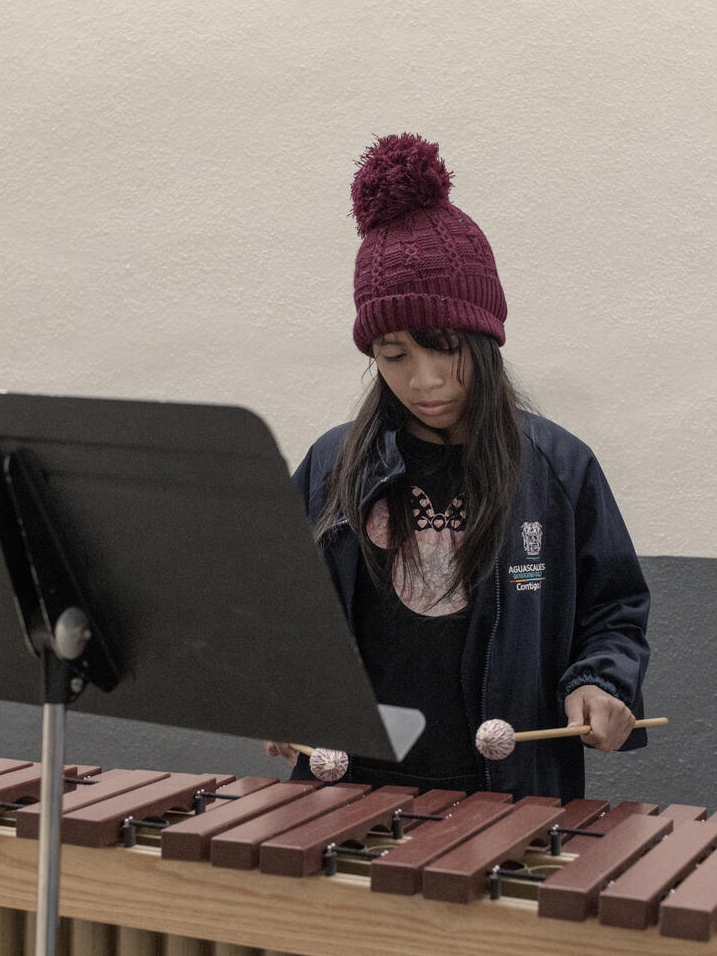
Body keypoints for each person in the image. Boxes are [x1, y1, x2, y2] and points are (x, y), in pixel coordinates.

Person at [265, 133, 650, 801]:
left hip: (506, 792)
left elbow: (613, 610)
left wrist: (601, 682)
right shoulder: (333, 467)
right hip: (344, 793)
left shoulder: (558, 469)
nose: (424, 380)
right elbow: (277, 608)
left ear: (484, 337)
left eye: (445, 348)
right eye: (394, 356)